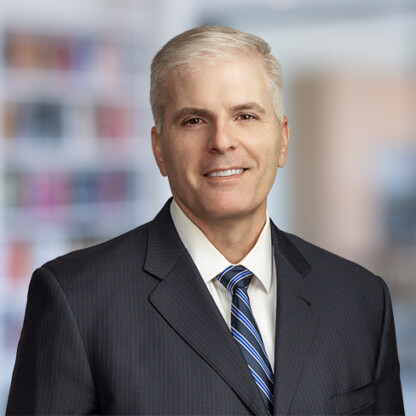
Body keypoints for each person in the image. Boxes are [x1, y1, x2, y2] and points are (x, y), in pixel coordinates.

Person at [7, 25, 404, 415]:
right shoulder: (76, 299)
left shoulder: (360, 299)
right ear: (159, 148)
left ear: (282, 139)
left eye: (245, 116)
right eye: (194, 120)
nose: (221, 141)